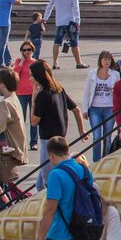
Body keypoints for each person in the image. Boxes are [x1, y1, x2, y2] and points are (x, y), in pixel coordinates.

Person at [30, 61, 86, 192]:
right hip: (61, 139)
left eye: (32, 76)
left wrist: (33, 100)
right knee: (40, 184)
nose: (30, 79)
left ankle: (52, 204)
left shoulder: (42, 95)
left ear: (39, 76)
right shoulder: (59, 89)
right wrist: (81, 130)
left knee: (47, 183)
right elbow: (76, 110)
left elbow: (34, 121)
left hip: (48, 142)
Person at [0, 68, 28, 195]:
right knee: (4, 188)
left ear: (2, 83)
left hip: (7, 151)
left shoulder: (5, 104)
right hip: (16, 148)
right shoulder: (14, 99)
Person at [82, 51, 120, 162]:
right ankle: (96, 161)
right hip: (95, 108)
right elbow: (87, 92)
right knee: (97, 137)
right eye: (105, 59)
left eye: (109, 59)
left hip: (110, 108)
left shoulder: (115, 74)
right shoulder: (92, 73)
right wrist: (85, 109)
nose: (107, 61)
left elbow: (118, 92)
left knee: (107, 137)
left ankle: (106, 160)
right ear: (100, 60)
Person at [43, 0, 86, 70]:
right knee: (74, 43)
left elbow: (49, 6)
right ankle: (78, 63)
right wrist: (77, 20)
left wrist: (45, 18)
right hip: (71, 21)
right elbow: (76, 7)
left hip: (59, 21)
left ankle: (55, 63)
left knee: (57, 42)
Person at [12, 47, 39, 150]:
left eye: (29, 50)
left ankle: (33, 142)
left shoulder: (35, 62)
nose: (26, 52)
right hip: (21, 93)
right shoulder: (18, 62)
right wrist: (22, 61)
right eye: (24, 50)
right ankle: (20, 142)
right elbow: (15, 73)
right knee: (21, 119)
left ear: (32, 50)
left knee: (34, 119)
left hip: (33, 93)